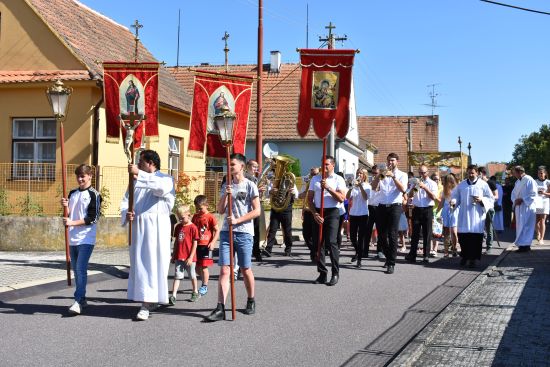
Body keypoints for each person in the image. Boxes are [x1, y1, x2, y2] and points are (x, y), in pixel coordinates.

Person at [205, 153, 261, 322]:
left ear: (242, 166)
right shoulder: (226, 185)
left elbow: (257, 211)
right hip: (226, 232)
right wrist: (225, 195)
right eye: (229, 164)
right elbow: (220, 210)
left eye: (233, 164)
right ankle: (220, 307)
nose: (230, 167)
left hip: (244, 232)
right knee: (224, 270)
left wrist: (238, 220)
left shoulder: (250, 185)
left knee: (245, 269)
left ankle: (251, 300)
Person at [121, 149, 175, 321]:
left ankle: (147, 304)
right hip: (139, 229)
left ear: (151, 163)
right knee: (142, 265)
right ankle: (147, 300)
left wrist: (139, 175)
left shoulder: (166, 179)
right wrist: (127, 213)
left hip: (157, 230)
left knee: (154, 265)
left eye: (141, 163)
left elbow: (159, 189)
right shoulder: (135, 182)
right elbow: (125, 201)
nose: (137, 166)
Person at [61, 164, 101, 315]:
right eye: (78, 176)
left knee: (80, 269)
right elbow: (69, 214)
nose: (80, 179)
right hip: (73, 238)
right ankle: (82, 299)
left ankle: (77, 301)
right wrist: (65, 206)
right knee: (76, 271)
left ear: (90, 176)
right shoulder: (72, 193)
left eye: (83, 176)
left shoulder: (94, 195)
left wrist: (72, 222)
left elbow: (93, 217)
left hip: (86, 238)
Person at [307, 156, 347, 286]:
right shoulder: (315, 178)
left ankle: (335, 273)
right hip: (319, 211)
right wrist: (314, 213)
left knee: (331, 242)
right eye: (322, 164)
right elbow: (310, 199)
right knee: (318, 244)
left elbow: (341, 198)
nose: (324, 167)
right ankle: (322, 273)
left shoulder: (338, 179)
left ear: (333, 165)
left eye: (327, 164)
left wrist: (329, 188)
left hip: (332, 212)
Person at [451, 165, 494, 268]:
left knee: (476, 238)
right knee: (463, 237)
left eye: (472, 173)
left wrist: (481, 200)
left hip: (477, 215)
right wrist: (454, 202)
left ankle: (473, 259)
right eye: (469, 173)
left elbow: (490, 198)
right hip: (464, 215)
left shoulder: (483, 185)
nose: (470, 175)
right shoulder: (461, 185)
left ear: (477, 173)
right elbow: (455, 197)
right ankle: (465, 256)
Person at [371, 153, 408, 274]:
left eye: (392, 160)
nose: (390, 163)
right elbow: (374, 188)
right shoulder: (382, 175)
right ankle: (388, 257)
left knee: (392, 234)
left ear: (397, 161)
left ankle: (391, 263)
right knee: (382, 236)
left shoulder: (403, 174)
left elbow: (403, 189)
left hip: (395, 206)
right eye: (388, 161)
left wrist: (393, 177)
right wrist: (378, 176)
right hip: (382, 206)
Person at [405, 165, 438, 263]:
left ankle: (426, 255)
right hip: (417, 209)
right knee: (414, 233)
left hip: (428, 209)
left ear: (427, 172)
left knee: (427, 233)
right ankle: (412, 254)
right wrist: (414, 187)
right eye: (420, 173)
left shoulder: (432, 183)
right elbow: (409, 195)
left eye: (423, 173)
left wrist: (425, 188)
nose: (421, 175)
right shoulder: (415, 182)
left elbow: (434, 197)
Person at [169, 205, 200, 304]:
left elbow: (195, 244)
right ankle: (173, 295)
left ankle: (195, 291)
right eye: (179, 218)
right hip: (179, 256)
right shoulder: (178, 227)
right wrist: (173, 255)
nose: (180, 220)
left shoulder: (193, 228)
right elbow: (176, 242)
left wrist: (190, 257)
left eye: (182, 218)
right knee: (177, 276)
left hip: (190, 258)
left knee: (192, 275)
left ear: (189, 215)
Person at [192, 195, 219, 297]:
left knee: (204, 267)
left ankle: (204, 285)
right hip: (196, 245)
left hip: (206, 246)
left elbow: (217, 230)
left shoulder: (210, 217)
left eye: (201, 208)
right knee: (196, 268)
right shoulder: (195, 216)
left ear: (206, 205)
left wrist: (213, 242)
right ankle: (205, 278)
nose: (199, 210)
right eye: (197, 208)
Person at [264, 179, 299, 257]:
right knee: (272, 229)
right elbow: (266, 195)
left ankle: (288, 249)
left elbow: (296, 195)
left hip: (286, 208)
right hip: (275, 208)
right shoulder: (274, 182)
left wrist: (293, 192)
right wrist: (270, 192)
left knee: (287, 230)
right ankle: (268, 249)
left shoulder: (290, 181)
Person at [346, 168, 371, 267]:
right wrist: (351, 187)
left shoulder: (367, 186)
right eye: (357, 173)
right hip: (353, 214)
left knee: (361, 238)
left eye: (361, 173)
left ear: (364, 175)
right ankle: (358, 252)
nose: (359, 175)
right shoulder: (354, 186)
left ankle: (359, 259)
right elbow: (347, 197)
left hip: (363, 214)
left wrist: (360, 186)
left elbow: (365, 197)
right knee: (352, 237)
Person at [511, 165, 537, 252]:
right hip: (519, 207)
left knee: (527, 226)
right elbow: (513, 194)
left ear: (520, 172)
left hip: (527, 207)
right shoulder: (517, 182)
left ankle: (526, 245)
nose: (514, 175)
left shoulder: (529, 180)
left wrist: (522, 199)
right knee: (520, 226)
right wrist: (515, 200)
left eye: (515, 173)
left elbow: (533, 194)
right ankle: (521, 245)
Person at [364, 165, 384, 260]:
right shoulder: (369, 183)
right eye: (373, 173)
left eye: (376, 173)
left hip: (380, 208)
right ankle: (365, 251)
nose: (374, 175)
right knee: (367, 230)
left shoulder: (383, 182)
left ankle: (380, 251)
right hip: (370, 207)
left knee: (380, 230)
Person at [299, 167, 320, 261]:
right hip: (307, 211)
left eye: (315, 174)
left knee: (315, 234)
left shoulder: (318, 183)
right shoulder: (307, 184)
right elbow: (300, 196)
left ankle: (315, 253)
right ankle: (314, 250)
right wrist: (303, 194)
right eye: (311, 174)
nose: (312, 176)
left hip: (316, 210)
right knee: (306, 234)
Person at [437, 173, 460, 257]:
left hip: (454, 210)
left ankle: (454, 249)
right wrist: (436, 213)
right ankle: (446, 251)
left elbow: (460, 200)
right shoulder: (444, 190)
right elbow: (442, 202)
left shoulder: (457, 189)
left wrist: (455, 203)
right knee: (446, 232)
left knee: (454, 232)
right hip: (446, 210)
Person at [245, 160, 263, 262]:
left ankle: (256, 252)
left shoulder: (255, 179)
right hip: (247, 208)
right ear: (247, 166)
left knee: (256, 230)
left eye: (257, 167)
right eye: (254, 166)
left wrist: (260, 193)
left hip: (255, 207)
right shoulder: (245, 177)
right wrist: (257, 189)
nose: (256, 169)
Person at [479, 167, 498, 253]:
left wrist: (485, 199)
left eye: (478, 174)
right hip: (479, 208)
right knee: (478, 228)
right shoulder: (478, 183)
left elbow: (496, 196)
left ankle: (489, 246)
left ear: (483, 173)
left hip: (489, 208)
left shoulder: (491, 183)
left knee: (488, 227)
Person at [534, 166, 550, 245]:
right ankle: (538, 233)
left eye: (541, 173)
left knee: (543, 220)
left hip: (545, 201)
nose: (540, 175)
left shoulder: (548, 182)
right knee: (536, 221)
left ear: (545, 174)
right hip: (537, 201)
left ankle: (542, 239)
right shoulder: (534, 181)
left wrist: (544, 193)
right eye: (538, 173)